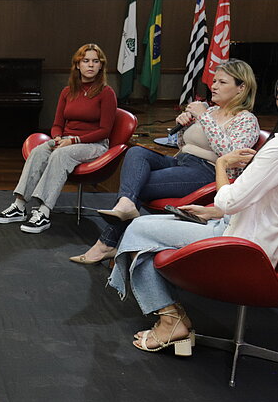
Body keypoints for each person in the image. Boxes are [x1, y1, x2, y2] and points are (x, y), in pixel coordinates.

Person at [107, 108, 278, 354]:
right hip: (240, 229)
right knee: (149, 227)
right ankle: (173, 319)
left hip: (241, 245)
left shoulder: (273, 149)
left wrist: (221, 164)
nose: (215, 86)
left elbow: (229, 200)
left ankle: (170, 319)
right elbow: (257, 203)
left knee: (139, 230)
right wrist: (215, 212)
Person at [75, 58, 260, 262]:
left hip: (207, 173)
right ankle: (125, 207)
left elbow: (230, 154)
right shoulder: (211, 111)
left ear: (241, 88)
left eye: (222, 82)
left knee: (137, 184)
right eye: (214, 81)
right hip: (182, 161)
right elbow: (185, 145)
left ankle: (106, 243)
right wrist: (184, 126)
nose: (213, 86)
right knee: (136, 153)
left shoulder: (246, 120)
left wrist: (204, 119)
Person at [0, 43, 117, 234]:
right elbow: (57, 124)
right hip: (66, 140)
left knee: (61, 155)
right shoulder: (67, 92)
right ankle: (19, 206)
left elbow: (105, 131)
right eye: (86, 61)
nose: (90, 65)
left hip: (94, 144)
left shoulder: (106, 93)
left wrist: (73, 140)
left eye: (95, 61)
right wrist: (58, 137)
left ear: (101, 66)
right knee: (39, 151)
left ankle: (43, 212)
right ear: (77, 65)